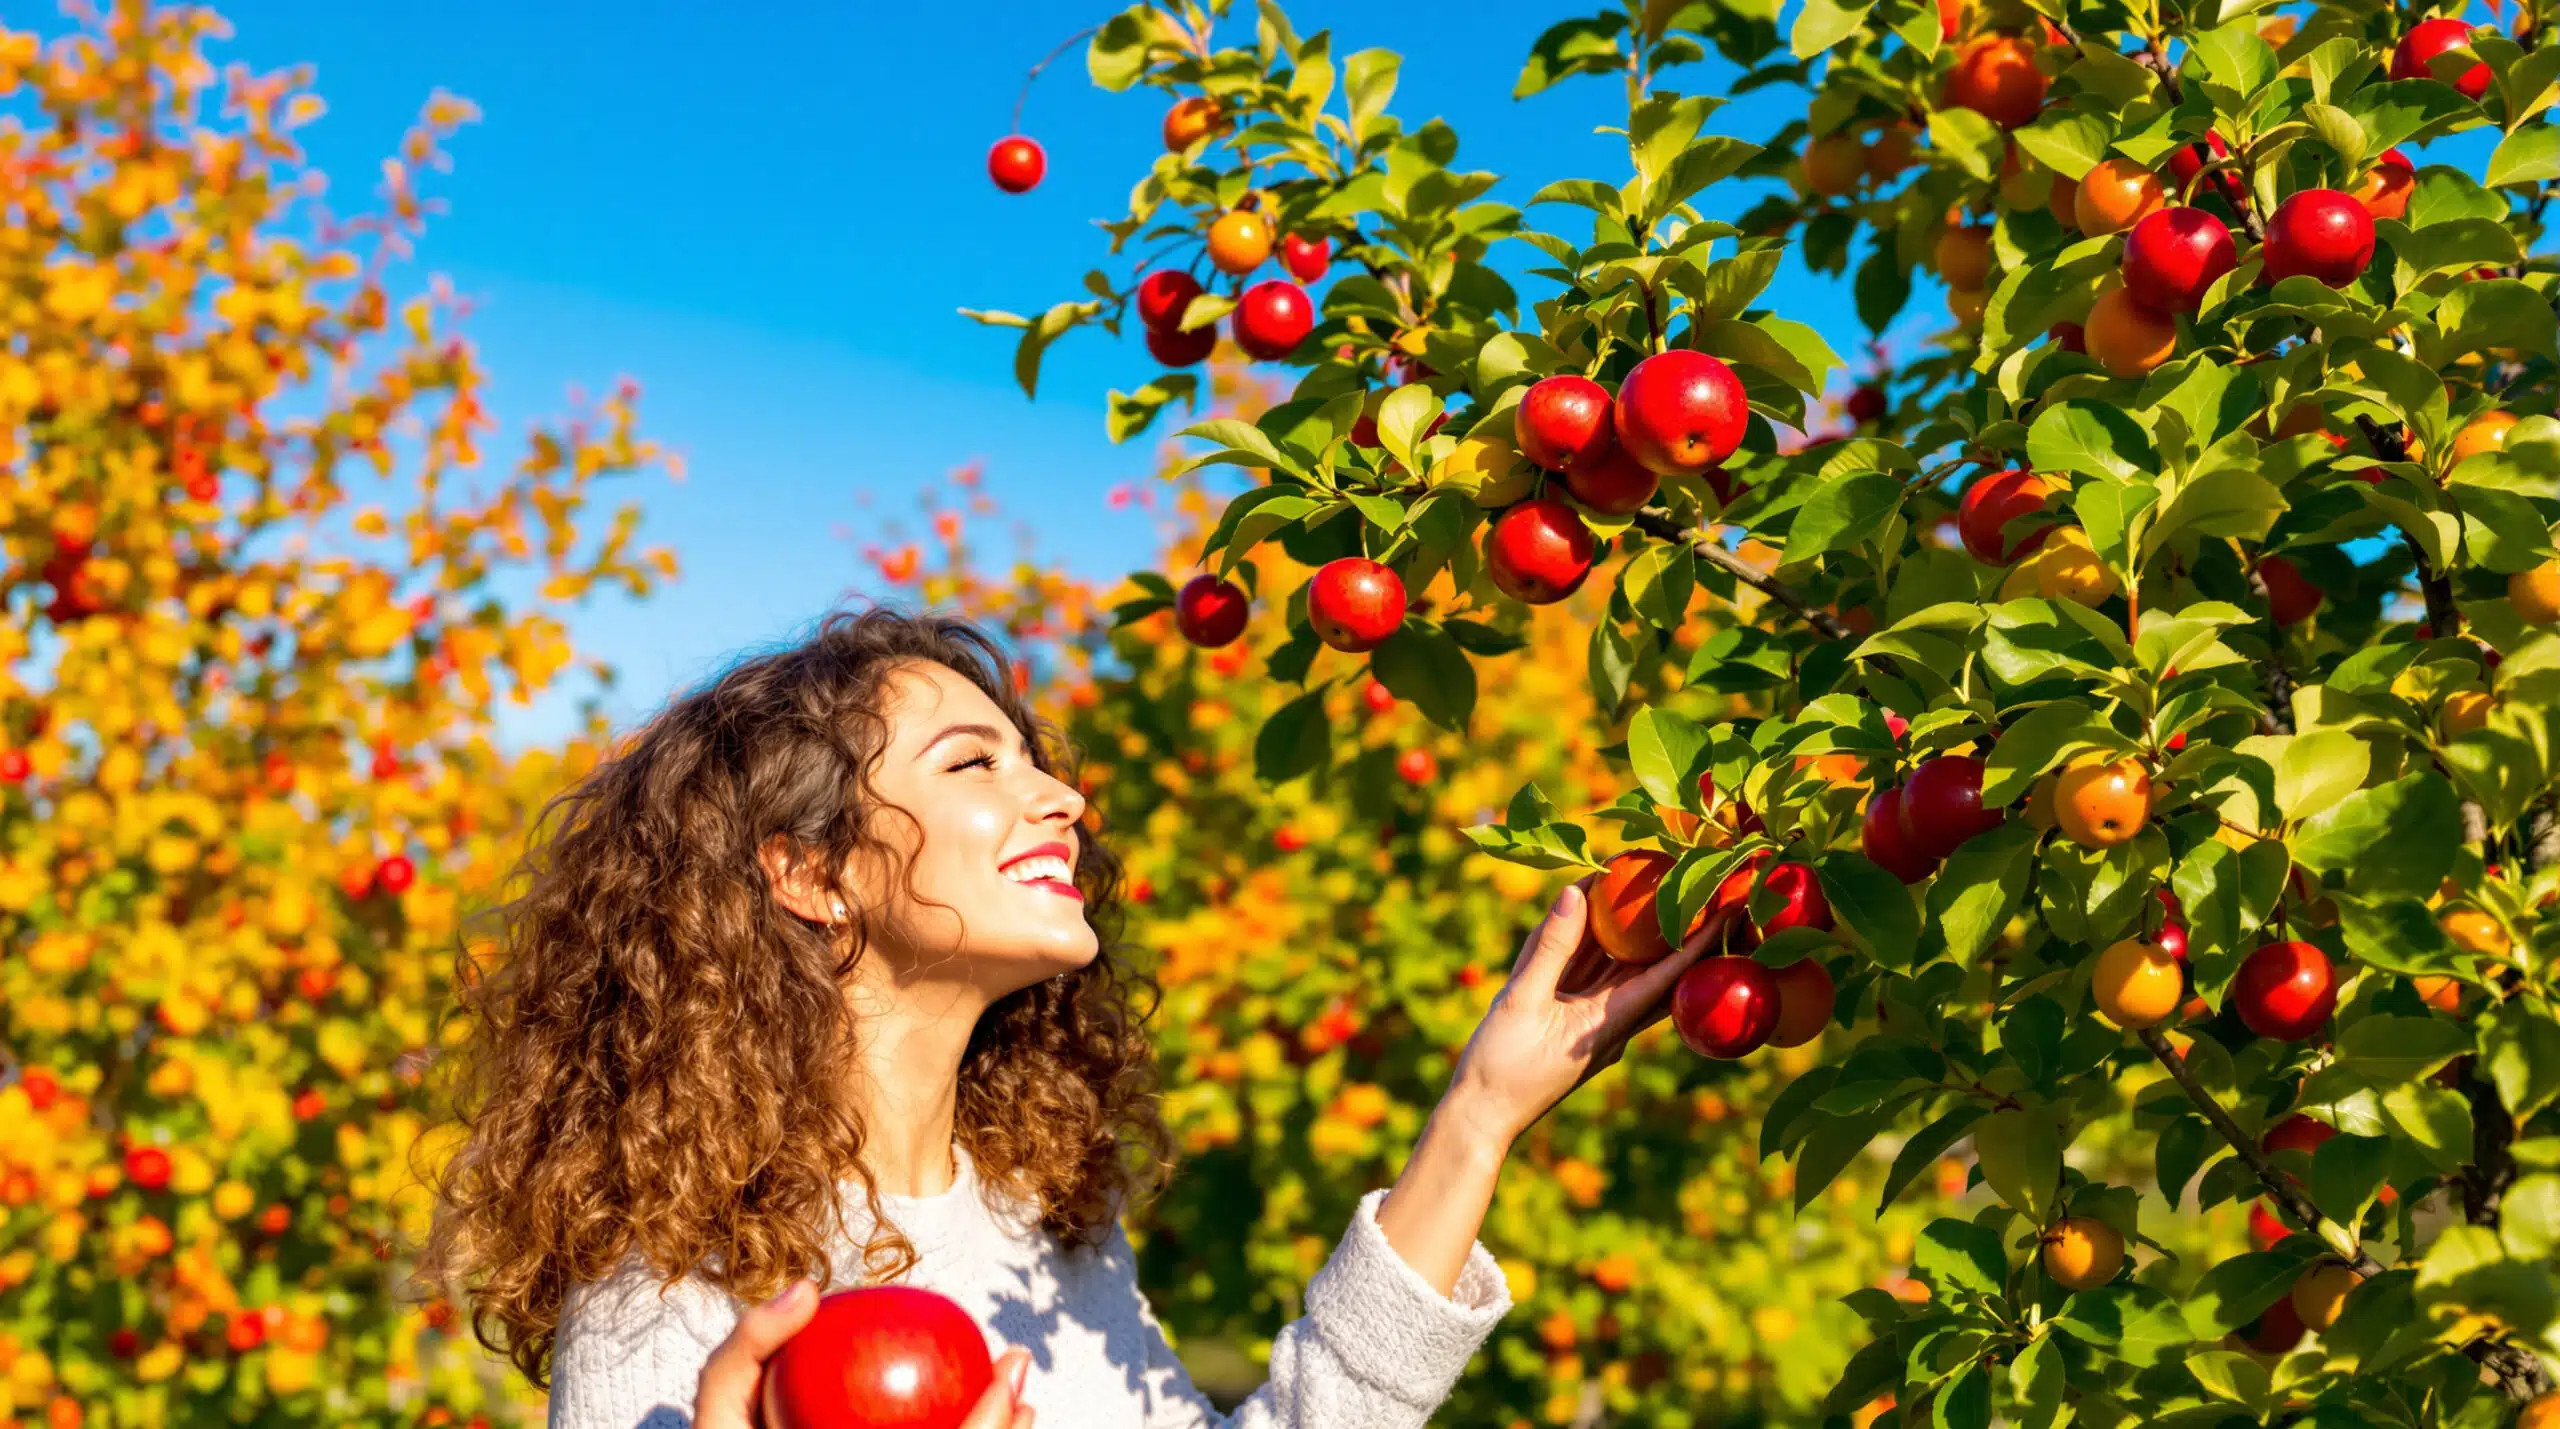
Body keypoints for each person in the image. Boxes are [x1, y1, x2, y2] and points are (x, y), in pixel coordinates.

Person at [416, 608, 1717, 1429]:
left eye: (1036, 759)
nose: (1062, 801)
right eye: (975, 764)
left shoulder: (1046, 1225)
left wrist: (1480, 1113)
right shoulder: (680, 1277)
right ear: (809, 873)